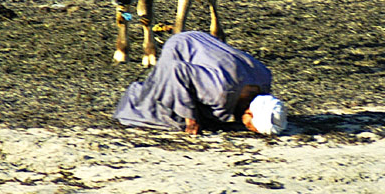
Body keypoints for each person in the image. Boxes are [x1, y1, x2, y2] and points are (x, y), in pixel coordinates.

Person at [114, 31, 287, 135]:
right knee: (167, 115)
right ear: (250, 113)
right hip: (181, 47)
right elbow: (174, 70)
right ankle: (133, 97)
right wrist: (190, 118)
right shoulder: (220, 90)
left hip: (203, 45)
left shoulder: (264, 78)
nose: (249, 129)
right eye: (252, 127)